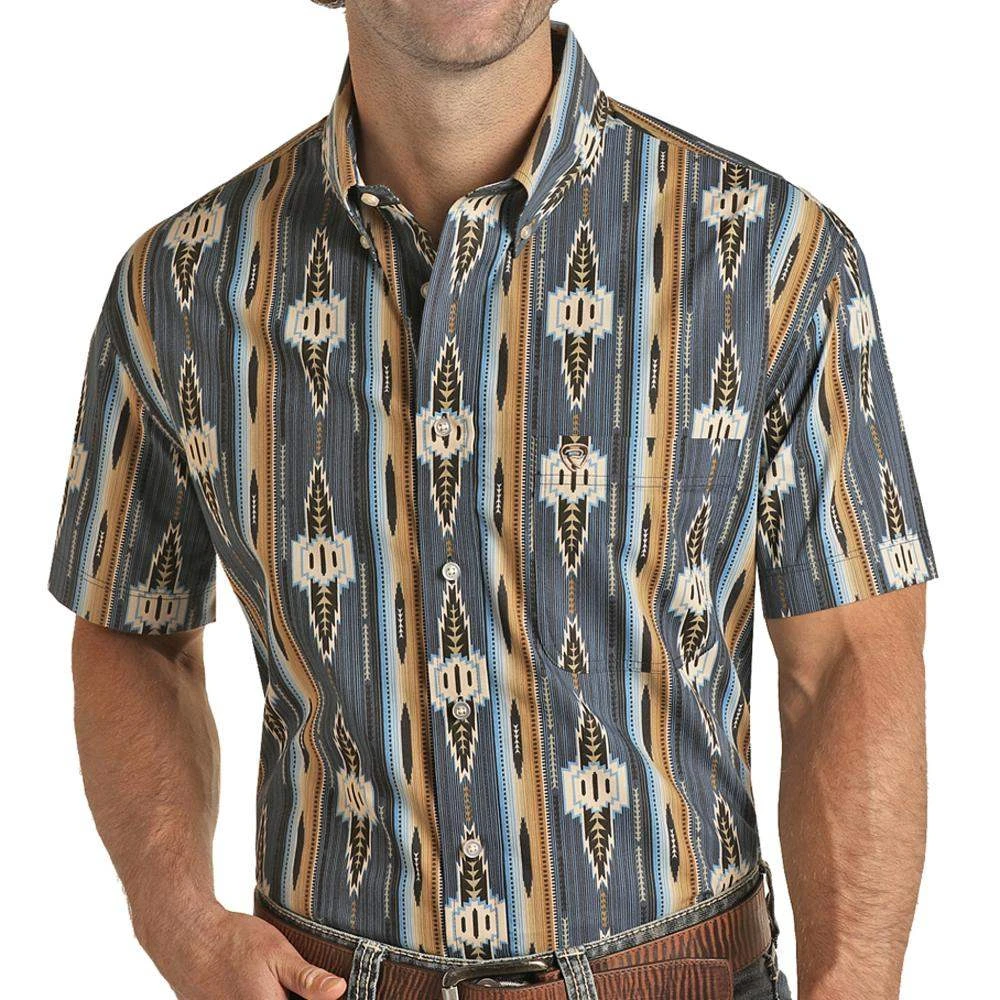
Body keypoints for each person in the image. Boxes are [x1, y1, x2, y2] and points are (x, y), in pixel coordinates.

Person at [47, 1, 937, 997]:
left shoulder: (771, 257)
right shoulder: (179, 287)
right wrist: (179, 923)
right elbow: (133, 631)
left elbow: (850, 660)